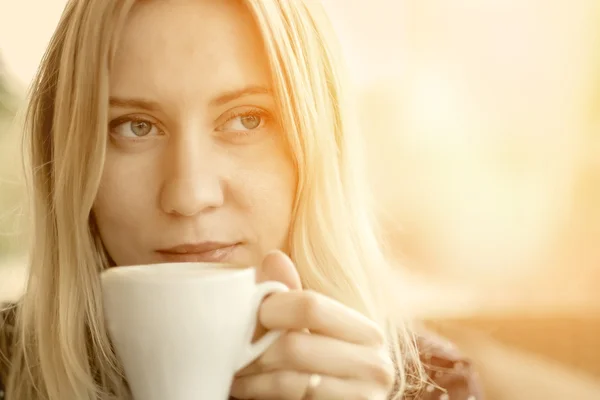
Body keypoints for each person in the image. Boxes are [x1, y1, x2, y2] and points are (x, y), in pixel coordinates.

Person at [0, 0, 482, 399]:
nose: (190, 196)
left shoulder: (431, 383)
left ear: (316, 146)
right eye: (135, 127)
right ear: (66, 159)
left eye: (246, 119)